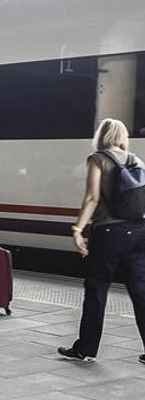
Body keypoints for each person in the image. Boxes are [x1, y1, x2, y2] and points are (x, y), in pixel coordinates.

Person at [59, 119, 145, 363]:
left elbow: (92, 197)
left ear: (102, 136)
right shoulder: (137, 160)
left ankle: (85, 348)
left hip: (109, 232)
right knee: (140, 291)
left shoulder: (98, 159)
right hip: (139, 231)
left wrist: (78, 229)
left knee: (96, 290)